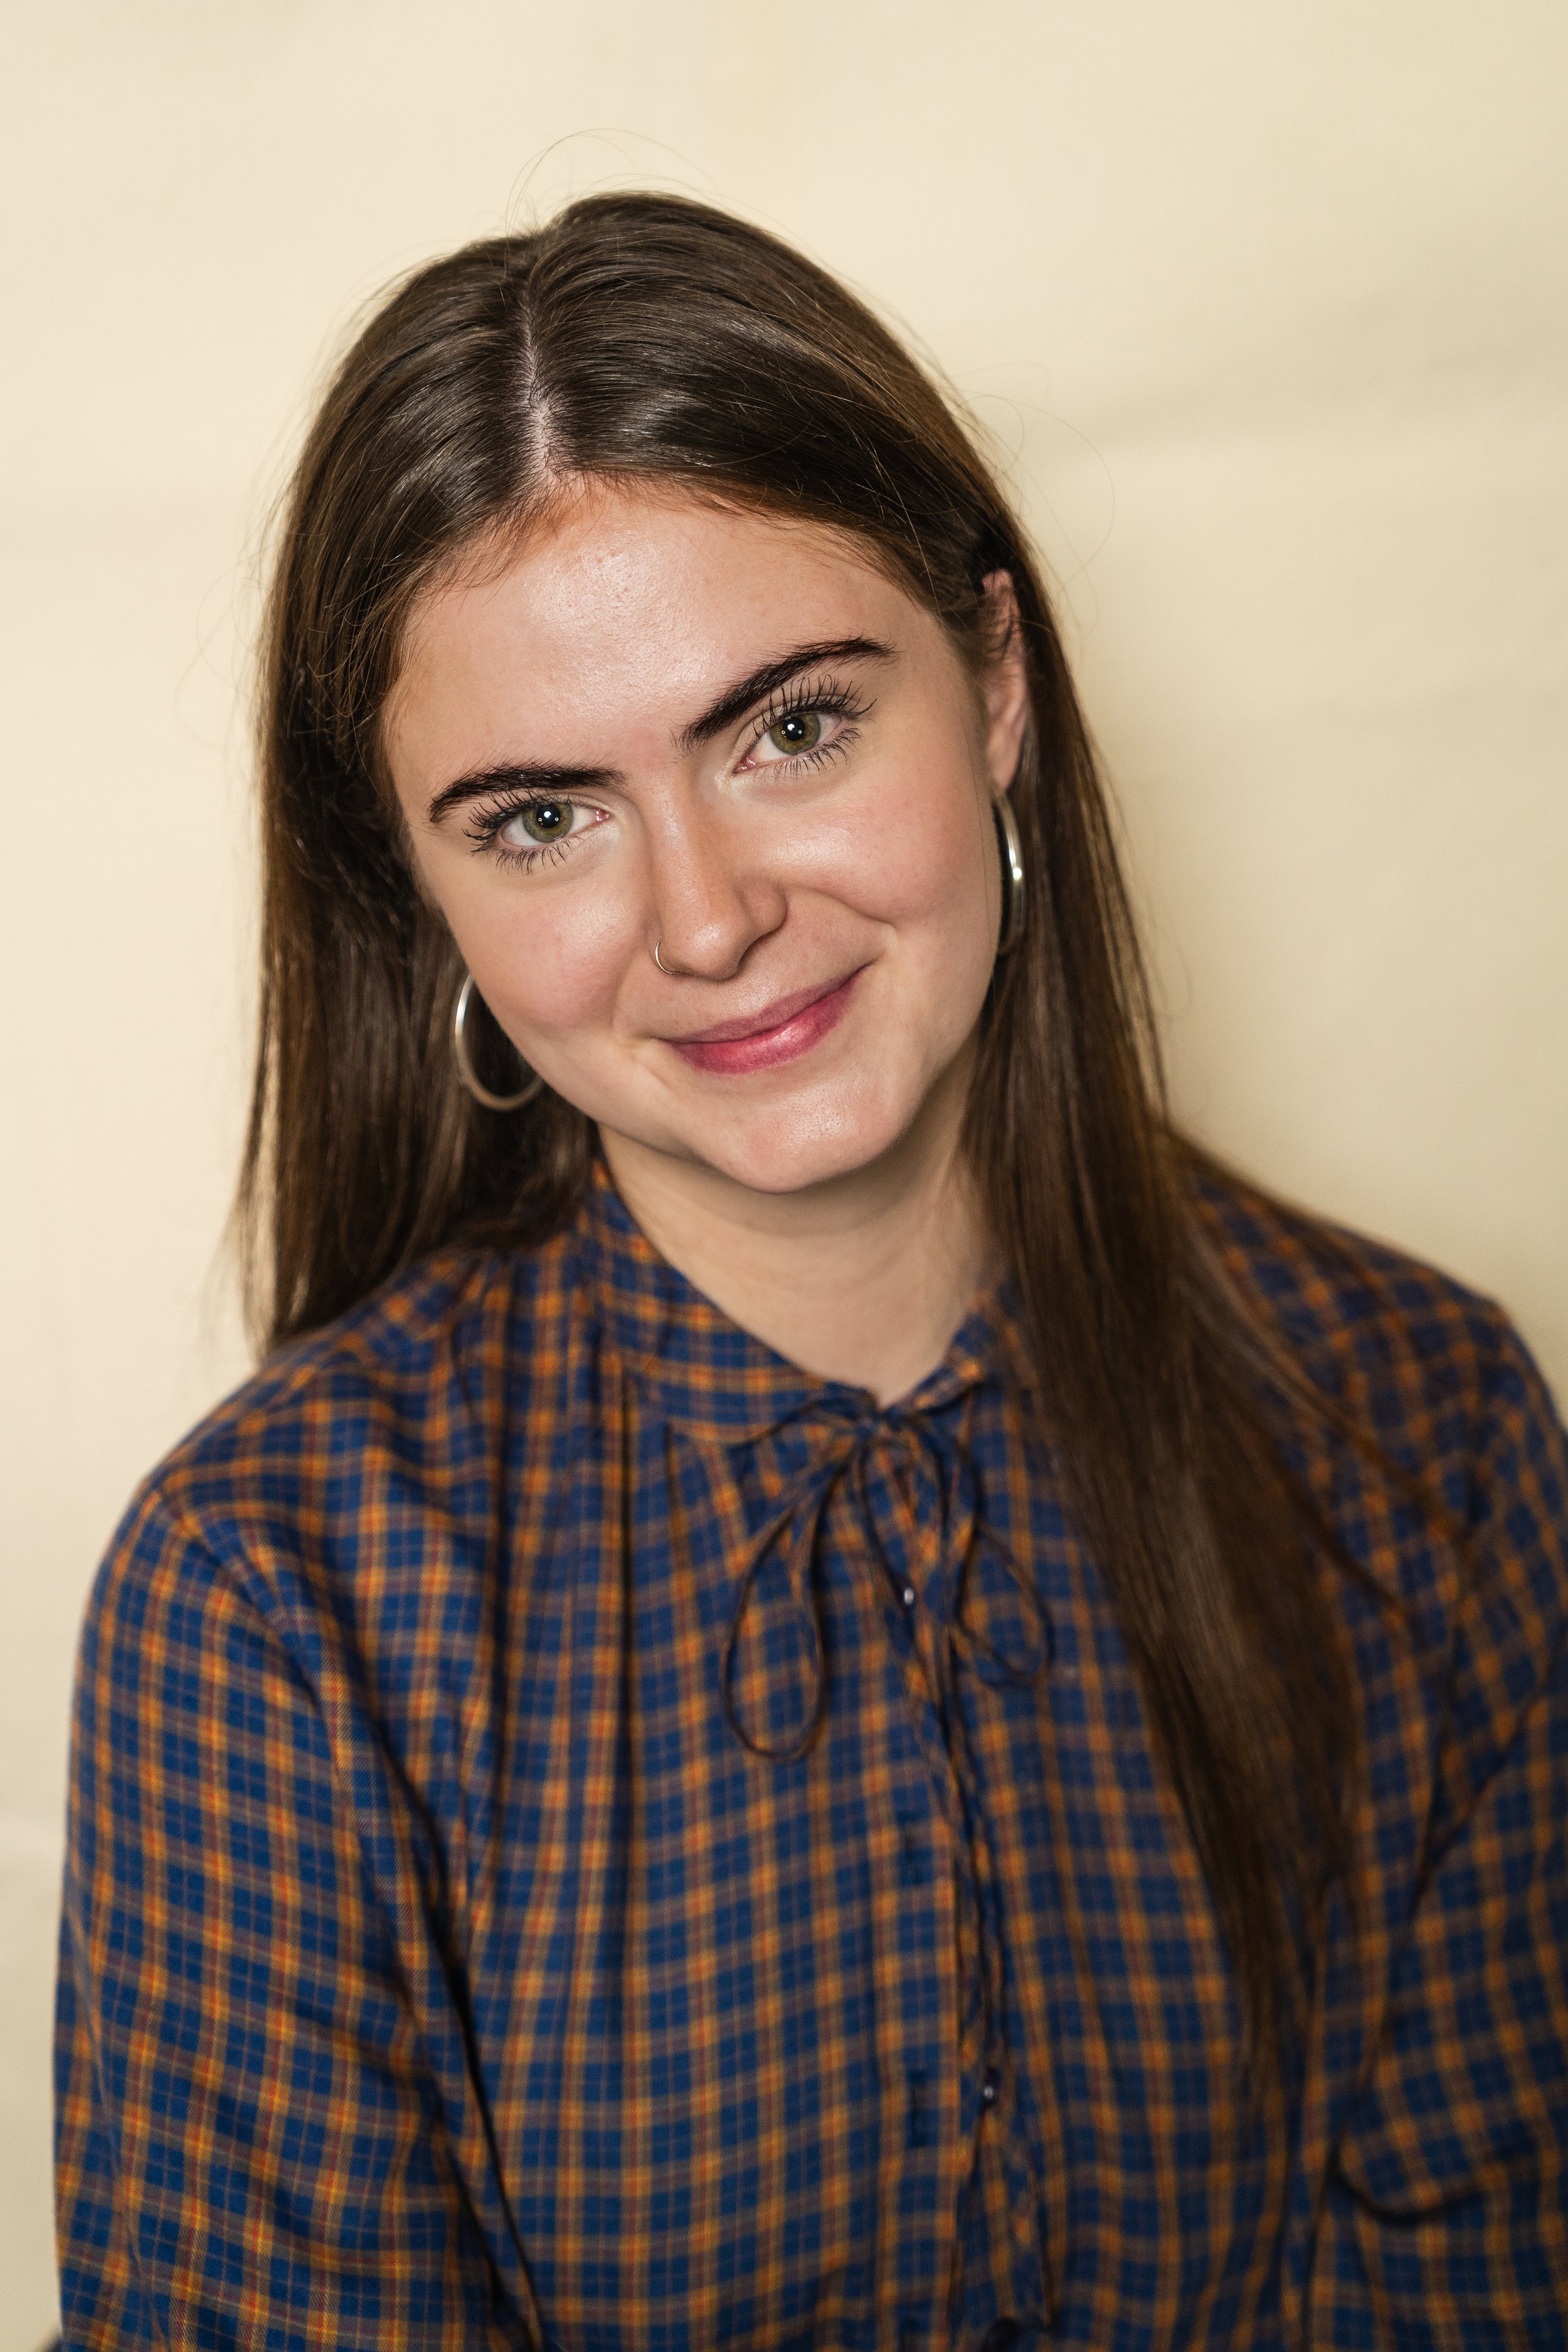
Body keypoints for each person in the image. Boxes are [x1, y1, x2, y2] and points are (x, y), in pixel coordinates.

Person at [54, 193, 1567, 2352]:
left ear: (995, 683)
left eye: (789, 729)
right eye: (539, 818)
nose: (706, 921)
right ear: (419, 894)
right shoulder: (274, 1601)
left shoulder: (1421, 1428)